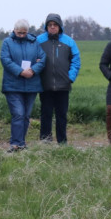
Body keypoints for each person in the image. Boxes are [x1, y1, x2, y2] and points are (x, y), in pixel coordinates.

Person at [0, 19, 45, 152]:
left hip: (31, 85)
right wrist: (20, 72)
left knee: (26, 115)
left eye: (24, 33)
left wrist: (33, 70)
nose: (21, 35)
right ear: (14, 30)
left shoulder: (34, 42)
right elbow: (6, 60)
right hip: (13, 85)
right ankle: (15, 143)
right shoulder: (7, 42)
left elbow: (42, 59)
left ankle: (21, 143)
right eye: (19, 33)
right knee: (18, 114)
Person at [37, 13, 80, 144]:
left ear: (60, 26)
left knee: (61, 115)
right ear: (46, 27)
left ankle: (62, 141)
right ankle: (45, 140)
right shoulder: (39, 41)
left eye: (55, 25)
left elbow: (76, 60)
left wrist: (70, 77)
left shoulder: (69, 41)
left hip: (63, 85)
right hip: (45, 84)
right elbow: (33, 56)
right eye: (50, 25)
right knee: (46, 113)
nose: (52, 27)